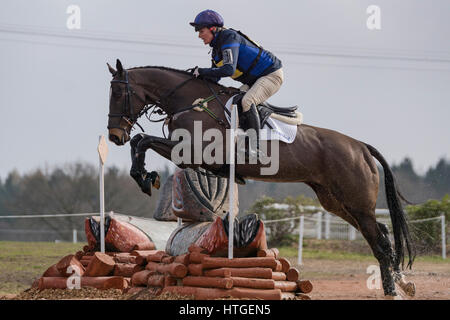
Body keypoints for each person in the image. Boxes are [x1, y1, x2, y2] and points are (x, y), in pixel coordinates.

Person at [189, 9, 283, 156]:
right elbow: (215, 79)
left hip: (271, 75)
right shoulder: (216, 49)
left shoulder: (229, 38)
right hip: (255, 80)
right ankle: (239, 140)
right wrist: (194, 79)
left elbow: (228, 70)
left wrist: (202, 71)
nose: (199, 35)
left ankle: (255, 147)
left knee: (247, 101)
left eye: (201, 31)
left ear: (213, 29)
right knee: (232, 102)